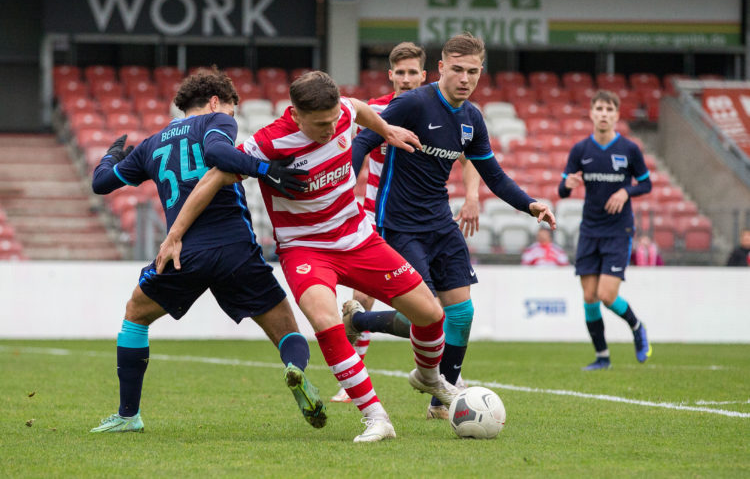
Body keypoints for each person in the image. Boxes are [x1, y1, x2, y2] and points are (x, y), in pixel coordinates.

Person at [155, 70, 461, 443]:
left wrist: (386, 131)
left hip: (356, 236)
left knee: (431, 315)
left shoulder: (342, 113)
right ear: (296, 115)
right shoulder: (268, 143)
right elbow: (214, 177)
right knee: (324, 319)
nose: (331, 130)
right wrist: (175, 234)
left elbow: (359, 109)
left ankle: (428, 377)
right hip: (305, 248)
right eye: (320, 124)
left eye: (333, 121)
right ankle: (376, 417)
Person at [89, 67, 326, 433]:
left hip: (183, 253)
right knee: (284, 326)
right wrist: (267, 170)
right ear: (216, 102)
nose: (231, 118)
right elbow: (218, 152)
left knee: (135, 315)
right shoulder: (216, 120)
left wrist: (111, 155)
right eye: (231, 110)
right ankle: (295, 369)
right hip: (236, 248)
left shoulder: (153, 144)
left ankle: (127, 415)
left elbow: (101, 183)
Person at [349, 32, 556, 419]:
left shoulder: (472, 118)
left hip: (440, 224)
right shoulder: (411, 102)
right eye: (457, 69)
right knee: (427, 314)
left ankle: (438, 398)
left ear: (481, 73)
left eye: (472, 72)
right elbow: (363, 140)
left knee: (460, 315)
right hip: (399, 225)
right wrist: (346, 180)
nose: (464, 78)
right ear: (441, 68)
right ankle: (362, 322)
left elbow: (493, 174)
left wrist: (531, 205)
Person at [331, 41, 481, 405]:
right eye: (401, 72)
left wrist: (473, 196)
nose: (407, 78)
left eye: (413, 72)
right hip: (375, 212)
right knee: (367, 297)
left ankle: (438, 382)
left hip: (420, 216)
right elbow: (356, 148)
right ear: (391, 76)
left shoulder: (439, 108)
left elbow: (468, 155)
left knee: (433, 310)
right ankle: (353, 379)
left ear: (425, 74)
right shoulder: (379, 111)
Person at [558, 89, 653, 371]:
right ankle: (602, 357)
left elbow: (646, 183)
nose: (603, 114)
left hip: (617, 230)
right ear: (591, 113)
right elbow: (562, 190)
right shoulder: (580, 150)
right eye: (599, 109)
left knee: (606, 295)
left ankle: (637, 326)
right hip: (589, 229)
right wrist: (569, 184)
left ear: (616, 115)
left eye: (609, 110)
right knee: (589, 297)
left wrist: (626, 192)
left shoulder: (629, 149)